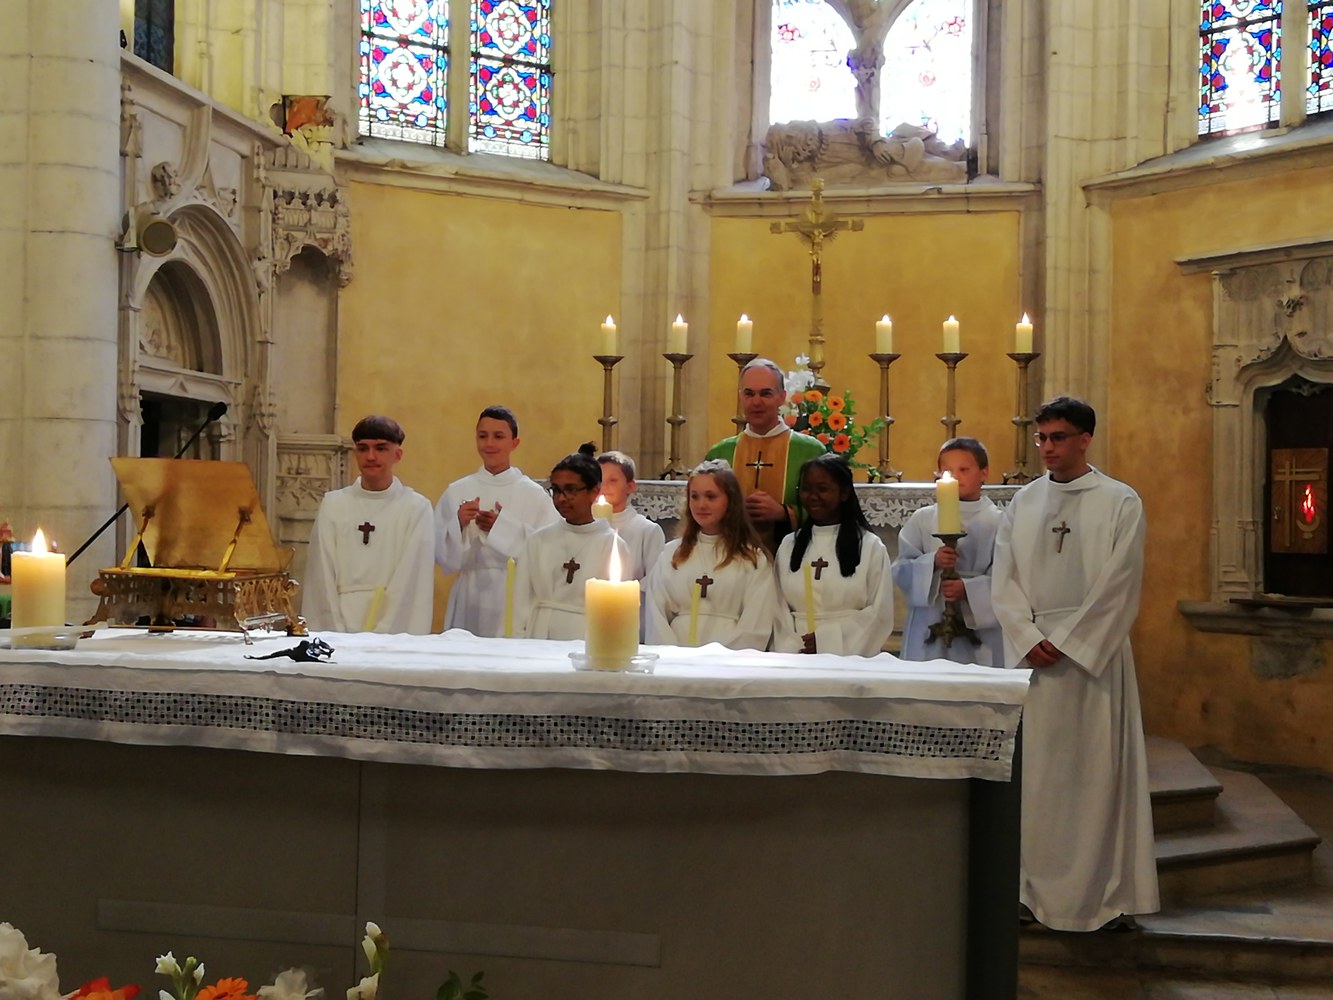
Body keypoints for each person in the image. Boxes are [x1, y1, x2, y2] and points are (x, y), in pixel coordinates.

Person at [991, 396, 1158, 932]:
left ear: (1085, 439)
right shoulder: (1024, 502)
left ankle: (1099, 899)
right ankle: (1030, 891)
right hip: (1035, 660)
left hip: (1092, 661)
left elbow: (1121, 583)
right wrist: (1026, 635)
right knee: (1038, 782)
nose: (1047, 447)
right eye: (1041, 438)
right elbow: (1003, 576)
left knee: (1094, 780)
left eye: (1058, 437)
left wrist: (1067, 641)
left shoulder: (1120, 501)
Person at [302, 415, 435, 634]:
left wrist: (383, 636)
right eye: (363, 448)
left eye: (381, 448)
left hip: (392, 630)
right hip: (339, 626)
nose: (370, 456)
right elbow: (321, 575)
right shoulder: (334, 504)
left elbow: (411, 581)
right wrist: (334, 633)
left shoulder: (416, 508)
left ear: (397, 454)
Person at [435, 405, 558, 636]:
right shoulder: (457, 490)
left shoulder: (533, 495)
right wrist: (458, 524)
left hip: (514, 593)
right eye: (483, 436)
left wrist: (501, 527)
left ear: (514, 443)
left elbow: (549, 549)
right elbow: (441, 555)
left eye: (498, 436)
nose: (489, 443)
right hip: (469, 594)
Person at [892, 437, 1004, 665]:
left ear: (984, 472)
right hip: (928, 623)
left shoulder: (999, 521)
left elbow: (1008, 577)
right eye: (948, 471)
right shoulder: (923, 519)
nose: (956, 477)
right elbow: (901, 569)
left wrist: (968, 589)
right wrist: (932, 563)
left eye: (964, 469)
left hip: (980, 631)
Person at [645, 459, 777, 650]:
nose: (701, 505)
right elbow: (656, 614)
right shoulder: (672, 553)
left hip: (730, 660)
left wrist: (722, 660)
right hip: (676, 658)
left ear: (730, 501)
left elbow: (756, 622)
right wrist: (673, 657)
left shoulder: (753, 559)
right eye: (695, 496)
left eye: (711, 496)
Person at [773, 454, 894, 656]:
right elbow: (777, 608)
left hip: (850, 655)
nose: (812, 496)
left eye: (822, 489)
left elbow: (879, 612)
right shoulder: (789, 545)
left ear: (844, 493)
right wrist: (795, 645)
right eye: (806, 489)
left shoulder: (869, 546)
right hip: (796, 655)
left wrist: (826, 641)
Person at [705, 358, 826, 554]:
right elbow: (702, 510)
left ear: (782, 397)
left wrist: (784, 513)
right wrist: (734, 511)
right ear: (740, 397)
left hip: (796, 558)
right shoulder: (721, 453)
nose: (756, 402)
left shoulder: (810, 451)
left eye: (766, 393)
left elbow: (831, 510)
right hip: (731, 558)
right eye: (749, 393)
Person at [513, 444, 628, 640]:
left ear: (594, 492)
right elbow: (521, 600)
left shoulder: (613, 546)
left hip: (588, 637)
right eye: (556, 490)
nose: (561, 499)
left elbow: (618, 611)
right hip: (539, 636)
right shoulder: (539, 540)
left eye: (571, 490)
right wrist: (517, 643)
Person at [595, 450, 666, 582]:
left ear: (630, 486)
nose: (603, 487)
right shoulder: (585, 526)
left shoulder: (647, 531)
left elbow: (654, 578)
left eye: (612, 480)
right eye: (599, 480)